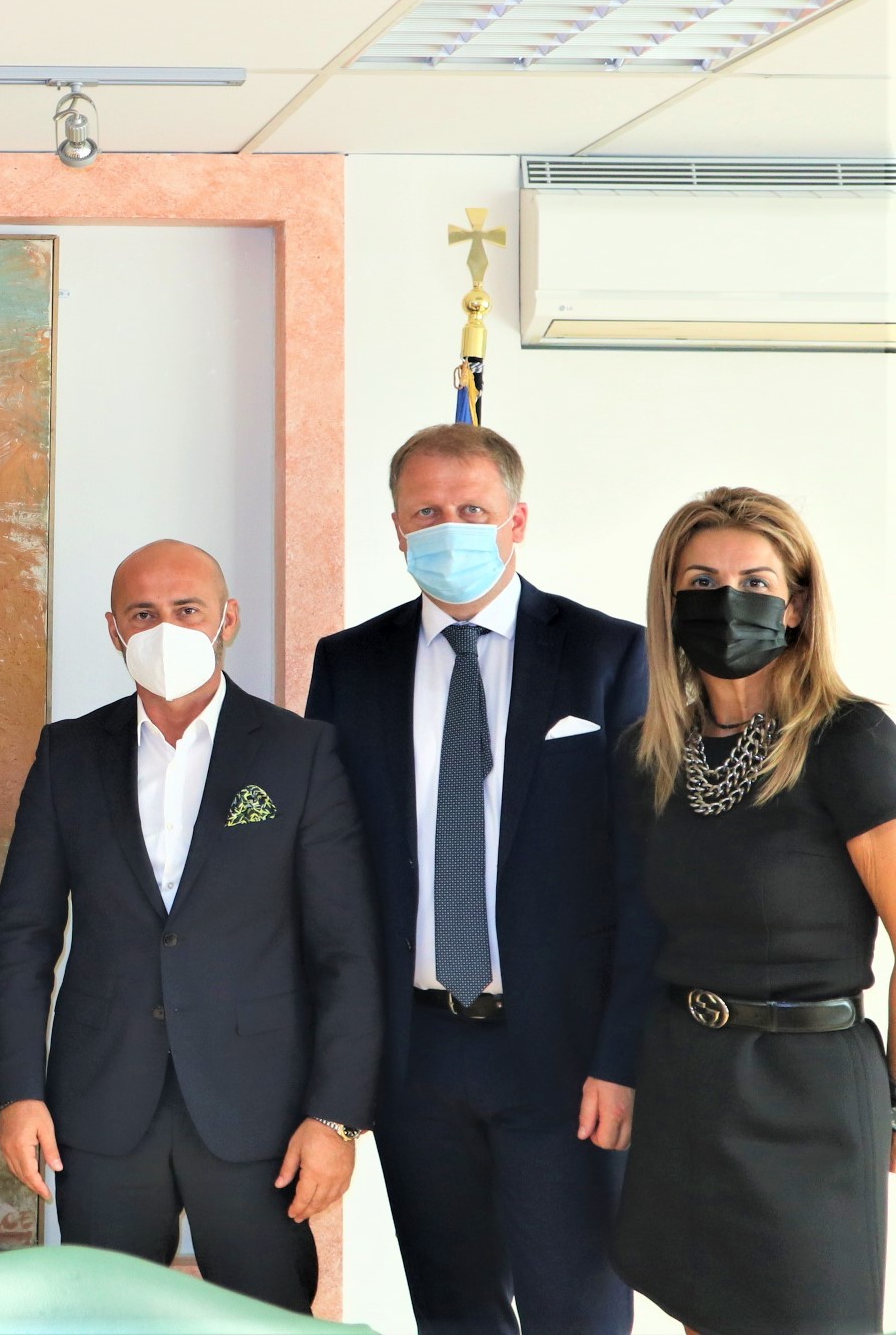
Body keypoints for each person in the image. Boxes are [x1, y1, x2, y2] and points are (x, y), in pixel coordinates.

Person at [305, 423, 655, 1334]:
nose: (448, 528)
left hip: (564, 1059)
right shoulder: (348, 664)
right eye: (425, 511)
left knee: (577, 1314)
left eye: (471, 508)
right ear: (395, 527)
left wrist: (620, 1060)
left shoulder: (608, 653)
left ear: (516, 520)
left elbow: (644, 880)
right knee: (453, 1314)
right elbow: (327, 875)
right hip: (416, 1057)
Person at [0, 540, 381, 1313]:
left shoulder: (298, 751)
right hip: (99, 1108)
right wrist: (17, 1092)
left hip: (259, 1114)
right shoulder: (67, 753)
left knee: (266, 1322)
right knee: (104, 1320)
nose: (163, 628)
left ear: (225, 619)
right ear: (113, 629)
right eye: (142, 613)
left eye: (186, 609)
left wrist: (334, 1116)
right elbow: (23, 935)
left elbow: (347, 951)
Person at [610, 487, 895, 1335]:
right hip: (688, 1083)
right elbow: (635, 933)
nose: (725, 600)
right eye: (700, 581)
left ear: (796, 605)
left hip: (810, 1096)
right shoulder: (649, 758)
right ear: (669, 603)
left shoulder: (849, 739)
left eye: (755, 582)